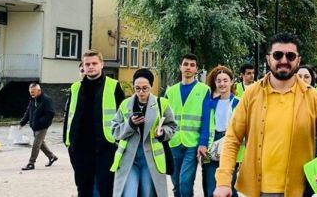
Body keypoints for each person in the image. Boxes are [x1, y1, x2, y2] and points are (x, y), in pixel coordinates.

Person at [213, 32, 317, 197]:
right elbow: (232, 139)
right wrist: (224, 182)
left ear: (298, 60)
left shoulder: (311, 96)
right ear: (268, 59)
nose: (284, 60)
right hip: (254, 189)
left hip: (299, 189)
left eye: (290, 56)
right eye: (277, 55)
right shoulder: (251, 94)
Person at [64, 50, 125, 197]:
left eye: (94, 63)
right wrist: (68, 142)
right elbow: (69, 117)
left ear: (102, 65)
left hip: (105, 147)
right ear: (83, 67)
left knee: (106, 189)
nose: (91, 67)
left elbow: (124, 117)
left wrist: (118, 142)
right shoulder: (75, 87)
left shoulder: (114, 86)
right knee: (83, 189)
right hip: (80, 148)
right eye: (87, 64)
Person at [111, 68, 177, 197]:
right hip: (129, 158)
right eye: (137, 88)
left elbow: (172, 126)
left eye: (145, 88)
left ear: (151, 86)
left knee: (147, 193)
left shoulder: (161, 103)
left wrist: (162, 133)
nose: (141, 92)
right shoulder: (125, 104)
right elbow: (114, 131)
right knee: (129, 193)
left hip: (151, 159)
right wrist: (130, 124)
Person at [164, 54, 211, 197]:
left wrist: (203, 143)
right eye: (185, 64)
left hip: (192, 143)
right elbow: (164, 119)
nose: (188, 67)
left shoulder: (204, 90)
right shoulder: (170, 91)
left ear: (196, 69)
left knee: (185, 183)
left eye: (192, 65)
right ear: (180, 67)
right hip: (174, 143)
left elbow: (206, 119)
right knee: (176, 185)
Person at [199, 66, 242, 197]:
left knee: (229, 186)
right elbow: (205, 125)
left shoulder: (239, 103)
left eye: (225, 80)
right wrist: (202, 144)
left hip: (230, 146)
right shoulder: (209, 103)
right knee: (211, 187)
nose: (222, 83)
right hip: (212, 146)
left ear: (231, 81)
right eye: (219, 81)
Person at [19, 83, 57, 171]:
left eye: (33, 92)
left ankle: (31, 163)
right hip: (35, 126)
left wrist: (40, 122)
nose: (31, 94)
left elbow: (50, 113)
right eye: (30, 92)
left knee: (36, 144)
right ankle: (52, 157)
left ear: (39, 91)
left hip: (42, 126)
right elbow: (28, 112)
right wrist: (22, 123)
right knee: (41, 143)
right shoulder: (33, 99)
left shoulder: (47, 100)